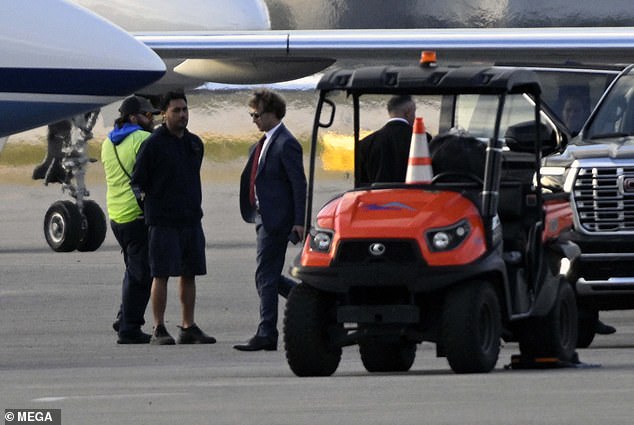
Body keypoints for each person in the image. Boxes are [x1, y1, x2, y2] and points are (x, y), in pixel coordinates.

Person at [131, 91, 216, 345]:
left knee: (189, 273)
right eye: (176, 110)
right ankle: (159, 328)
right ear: (164, 113)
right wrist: (149, 208)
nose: (182, 115)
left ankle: (188, 326)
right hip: (163, 221)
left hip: (190, 219)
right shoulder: (153, 144)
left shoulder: (195, 144)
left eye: (185, 110)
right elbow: (137, 182)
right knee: (162, 274)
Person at [235, 89, 307, 352]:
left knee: (265, 276)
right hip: (262, 218)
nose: (254, 119)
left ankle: (267, 332)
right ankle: (306, 298)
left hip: (278, 220)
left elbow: (299, 185)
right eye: (251, 114)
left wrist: (300, 221)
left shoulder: (286, 143)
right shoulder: (262, 143)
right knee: (267, 276)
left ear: (273, 114)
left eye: (257, 114)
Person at [101, 95, 158, 344]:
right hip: (137, 215)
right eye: (148, 115)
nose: (152, 119)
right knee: (142, 274)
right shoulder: (143, 139)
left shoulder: (107, 143)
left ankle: (124, 316)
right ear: (134, 117)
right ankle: (129, 328)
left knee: (133, 269)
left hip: (116, 215)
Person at [356, 95, 417, 187]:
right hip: (414, 198)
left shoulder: (366, 143)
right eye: (414, 112)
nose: (414, 117)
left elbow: (361, 184)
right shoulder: (421, 140)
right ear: (407, 112)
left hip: (377, 199)